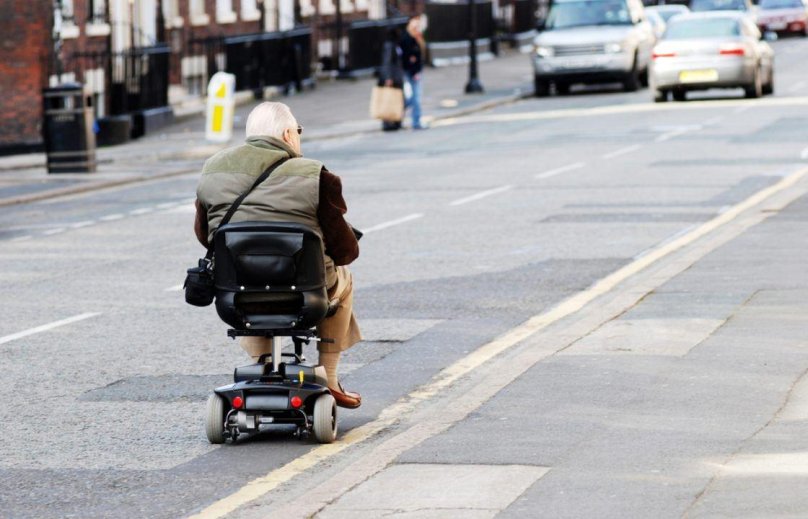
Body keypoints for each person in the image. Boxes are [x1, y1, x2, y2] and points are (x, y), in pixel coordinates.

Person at [193, 102, 363, 409]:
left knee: (247, 278)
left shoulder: (213, 169)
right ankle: (331, 376)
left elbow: (205, 236)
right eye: (298, 131)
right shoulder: (317, 176)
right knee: (344, 277)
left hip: (235, 295)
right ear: (288, 134)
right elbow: (345, 251)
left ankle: (262, 363)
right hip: (307, 293)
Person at [401, 15, 426, 130]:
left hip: (416, 70)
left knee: (413, 97)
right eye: (415, 22)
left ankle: (401, 111)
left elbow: (418, 55)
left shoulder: (417, 36)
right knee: (415, 98)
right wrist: (414, 71)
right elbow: (408, 57)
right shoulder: (407, 38)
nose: (417, 25)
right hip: (411, 72)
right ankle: (416, 122)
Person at [378, 26, 405, 131]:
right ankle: (388, 123)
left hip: (397, 77)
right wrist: (388, 78)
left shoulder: (396, 44)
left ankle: (397, 121)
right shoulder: (389, 45)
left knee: (398, 100)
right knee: (389, 100)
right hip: (392, 78)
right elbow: (387, 62)